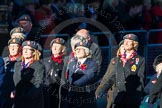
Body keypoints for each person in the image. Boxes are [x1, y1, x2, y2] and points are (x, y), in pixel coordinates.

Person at [95, 33, 145, 108]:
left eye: (129, 41)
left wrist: (137, 97)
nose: (126, 43)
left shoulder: (140, 60)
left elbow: (141, 80)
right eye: (125, 41)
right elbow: (112, 76)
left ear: (134, 44)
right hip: (117, 96)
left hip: (131, 98)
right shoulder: (118, 60)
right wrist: (102, 89)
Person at [13, 40, 44, 108]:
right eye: (24, 49)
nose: (25, 51)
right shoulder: (17, 64)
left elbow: (38, 83)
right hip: (18, 100)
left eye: (28, 49)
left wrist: (28, 95)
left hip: (31, 101)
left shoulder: (38, 65)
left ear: (34, 52)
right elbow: (15, 80)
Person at [67, 40, 98, 108]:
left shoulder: (93, 64)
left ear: (86, 51)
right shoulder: (71, 64)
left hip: (86, 99)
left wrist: (73, 85)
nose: (77, 51)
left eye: (80, 49)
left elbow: (88, 77)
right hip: (72, 99)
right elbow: (69, 79)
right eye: (76, 49)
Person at [95, 40, 125, 108]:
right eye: (122, 46)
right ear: (119, 49)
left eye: (126, 47)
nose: (124, 48)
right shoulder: (114, 60)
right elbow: (107, 76)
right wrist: (99, 89)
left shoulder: (135, 61)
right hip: (113, 93)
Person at [43, 38, 66, 108]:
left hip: (59, 92)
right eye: (53, 46)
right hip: (47, 92)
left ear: (62, 49)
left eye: (57, 46)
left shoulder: (65, 61)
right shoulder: (45, 61)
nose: (54, 48)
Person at [1, 38, 23, 108]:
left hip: (18, 94)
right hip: (3, 94)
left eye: (15, 46)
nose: (12, 49)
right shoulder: (3, 61)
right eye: (11, 46)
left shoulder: (24, 61)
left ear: (20, 48)